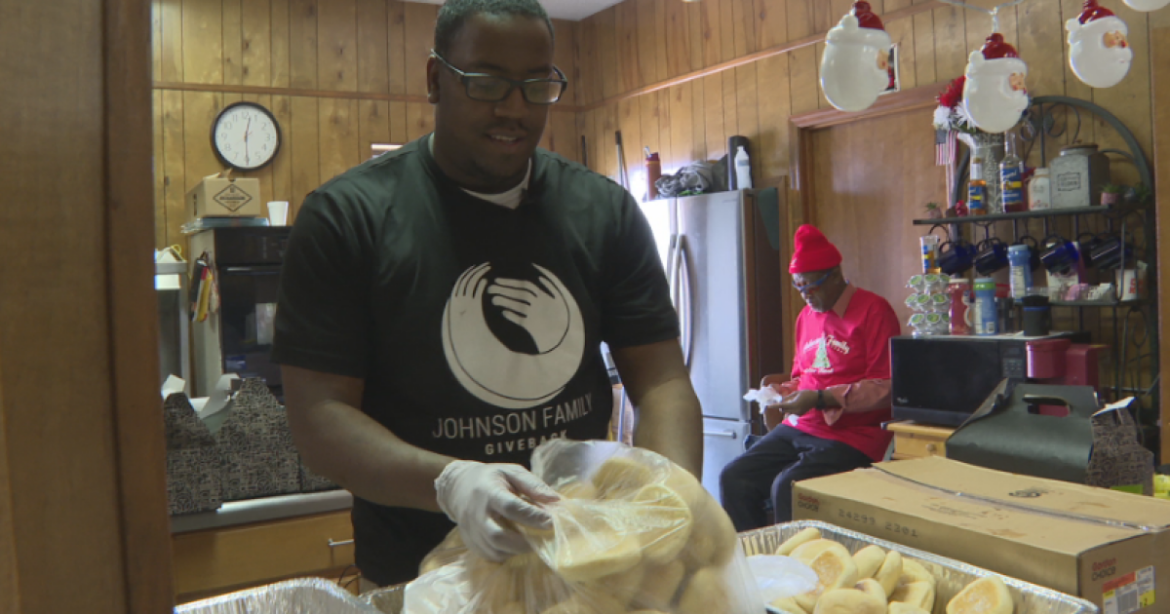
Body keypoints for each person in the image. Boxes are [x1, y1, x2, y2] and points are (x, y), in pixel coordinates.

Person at [270, 0, 702, 589]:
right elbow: (319, 417)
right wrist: (452, 483)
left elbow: (662, 383)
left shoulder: (602, 213)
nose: (515, 108)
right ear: (434, 79)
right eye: (487, 81)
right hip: (420, 577)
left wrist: (665, 507)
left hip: (580, 570)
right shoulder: (348, 219)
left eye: (535, 84)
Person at [719, 225, 900, 531]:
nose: (805, 296)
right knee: (734, 477)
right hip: (801, 427)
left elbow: (887, 386)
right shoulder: (806, 318)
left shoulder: (874, 310)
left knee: (788, 487)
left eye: (810, 287)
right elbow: (803, 377)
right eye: (798, 288)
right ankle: (755, 566)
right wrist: (781, 391)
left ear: (835, 275)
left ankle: (795, 570)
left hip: (854, 436)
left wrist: (822, 398)